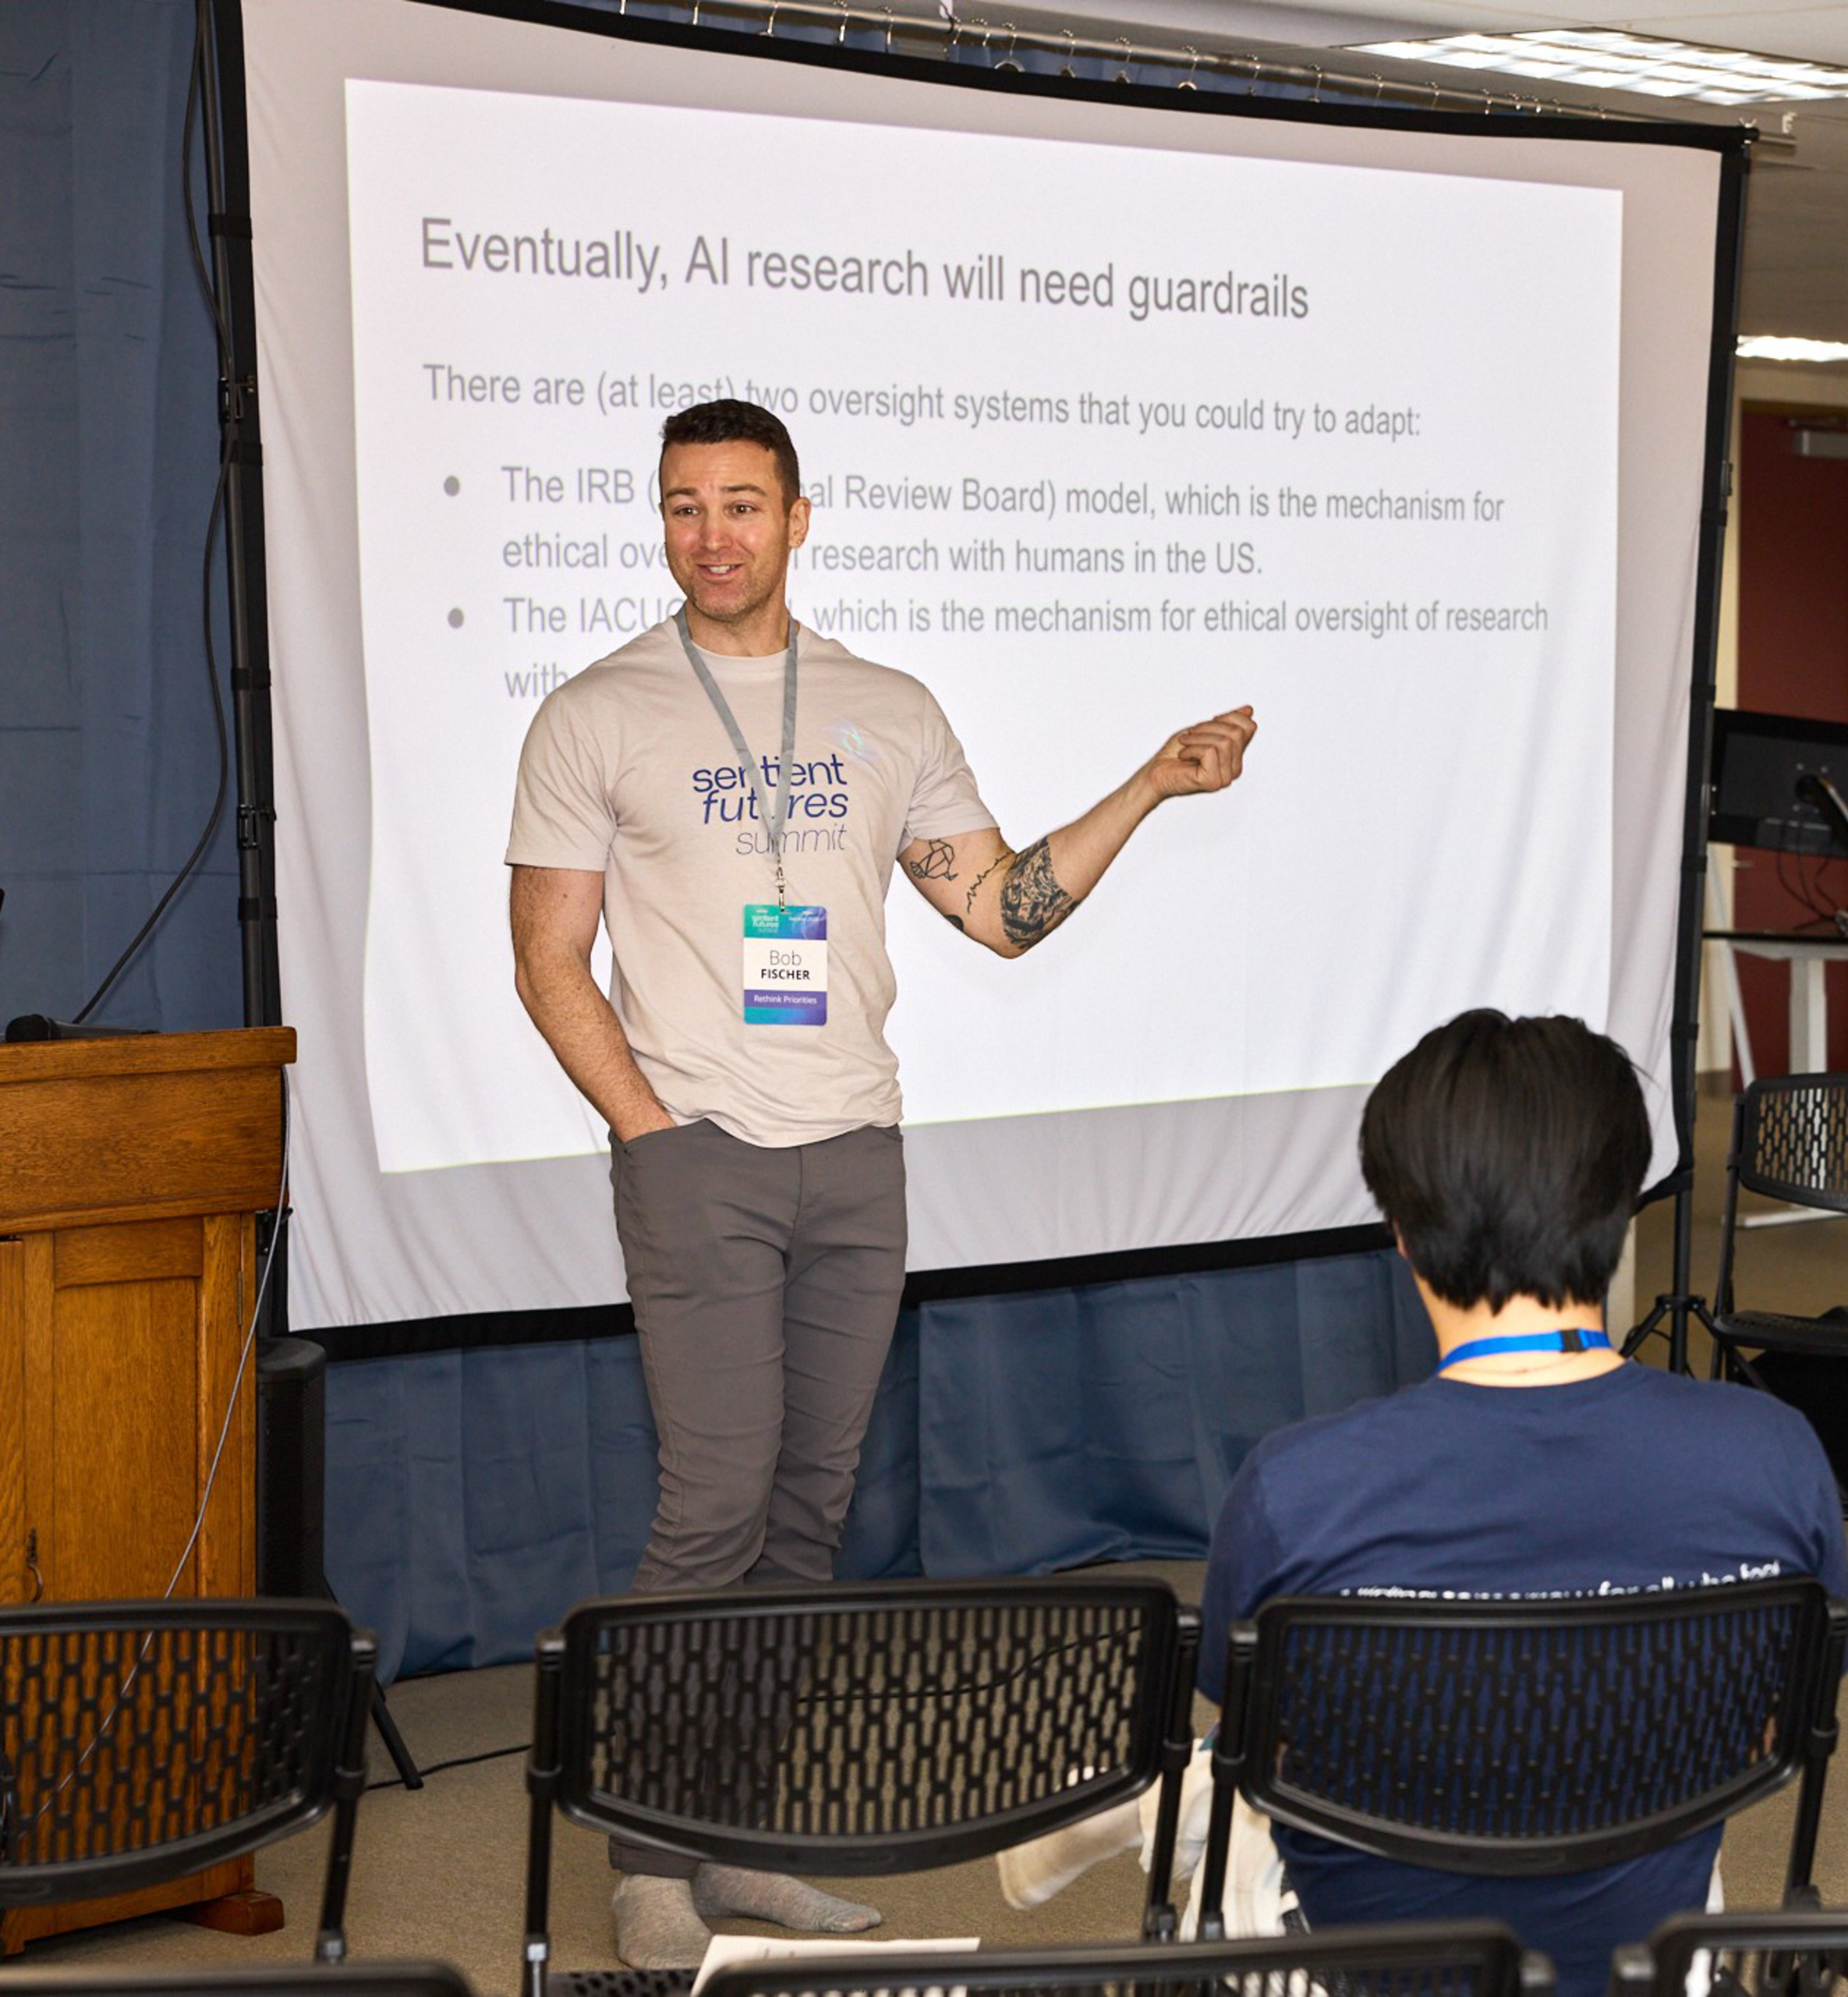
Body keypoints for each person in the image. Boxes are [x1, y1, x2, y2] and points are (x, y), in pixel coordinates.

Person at [507, 398, 1255, 1967]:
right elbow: (550, 957)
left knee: (806, 1514)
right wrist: (649, 1130)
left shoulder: (885, 706)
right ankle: (653, 1858)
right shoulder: (597, 711)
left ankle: (742, 1835)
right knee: (713, 1504)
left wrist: (1148, 783)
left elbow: (1002, 910)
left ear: (798, 517)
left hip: (856, 1154)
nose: (712, 534)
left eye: (742, 504)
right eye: (684, 505)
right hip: (698, 1154)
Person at [1196, 1011, 1848, 1997]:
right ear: (1622, 1207)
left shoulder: (1293, 1488)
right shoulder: (1773, 1455)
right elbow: (1775, 1728)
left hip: (1376, 1972)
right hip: (1637, 1960)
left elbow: (1268, 1743)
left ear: (1401, 1228)